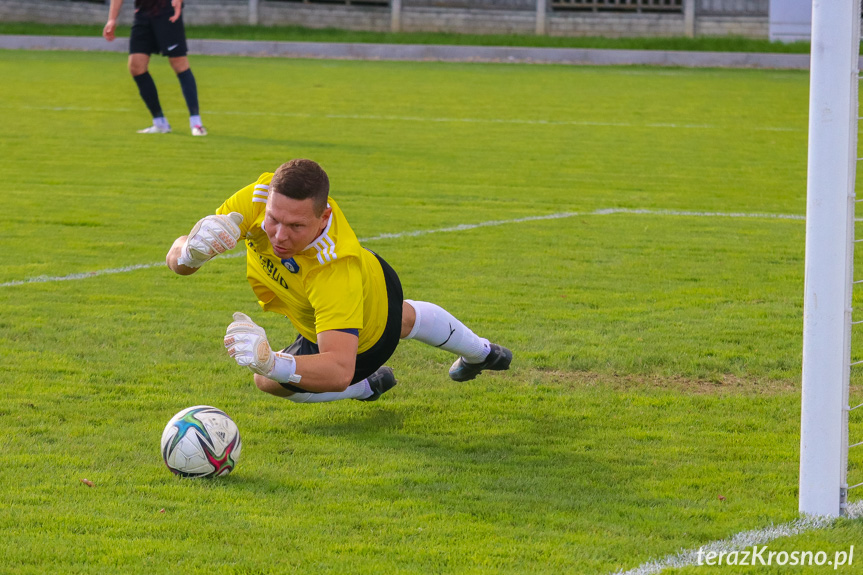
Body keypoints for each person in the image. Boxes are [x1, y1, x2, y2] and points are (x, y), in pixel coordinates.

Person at [165, 159, 512, 403]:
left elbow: (338, 369)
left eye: (296, 227)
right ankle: (483, 353)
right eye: (274, 219)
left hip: (365, 335)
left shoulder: (332, 269)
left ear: (324, 216)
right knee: (404, 316)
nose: (279, 236)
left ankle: (369, 385)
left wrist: (271, 362)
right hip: (372, 272)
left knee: (268, 380)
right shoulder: (257, 198)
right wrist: (191, 252)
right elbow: (176, 263)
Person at [103, 0, 207, 136]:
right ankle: (160, 123)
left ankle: (196, 124)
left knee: (179, 64)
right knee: (136, 66)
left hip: (166, 11)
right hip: (142, 14)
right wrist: (111, 19)